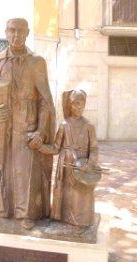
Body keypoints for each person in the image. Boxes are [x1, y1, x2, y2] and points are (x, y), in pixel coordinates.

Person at [0, 18, 55, 230]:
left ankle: (26, 213)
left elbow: (45, 101)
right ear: (6, 32)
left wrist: (41, 131)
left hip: (28, 129)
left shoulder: (37, 62)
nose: (16, 35)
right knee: (4, 171)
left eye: (20, 31)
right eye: (12, 31)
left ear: (27, 33)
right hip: (3, 130)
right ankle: (5, 208)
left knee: (26, 174)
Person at [39, 89, 99, 233]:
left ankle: (80, 221)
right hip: (65, 164)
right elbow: (55, 148)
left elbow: (95, 149)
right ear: (69, 105)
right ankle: (64, 218)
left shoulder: (89, 126)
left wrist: (89, 164)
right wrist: (40, 147)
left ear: (85, 104)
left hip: (82, 165)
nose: (77, 108)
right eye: (74, 104)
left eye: (80, 104)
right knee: (66, 192)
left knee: (79, 194)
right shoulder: (64, 125)